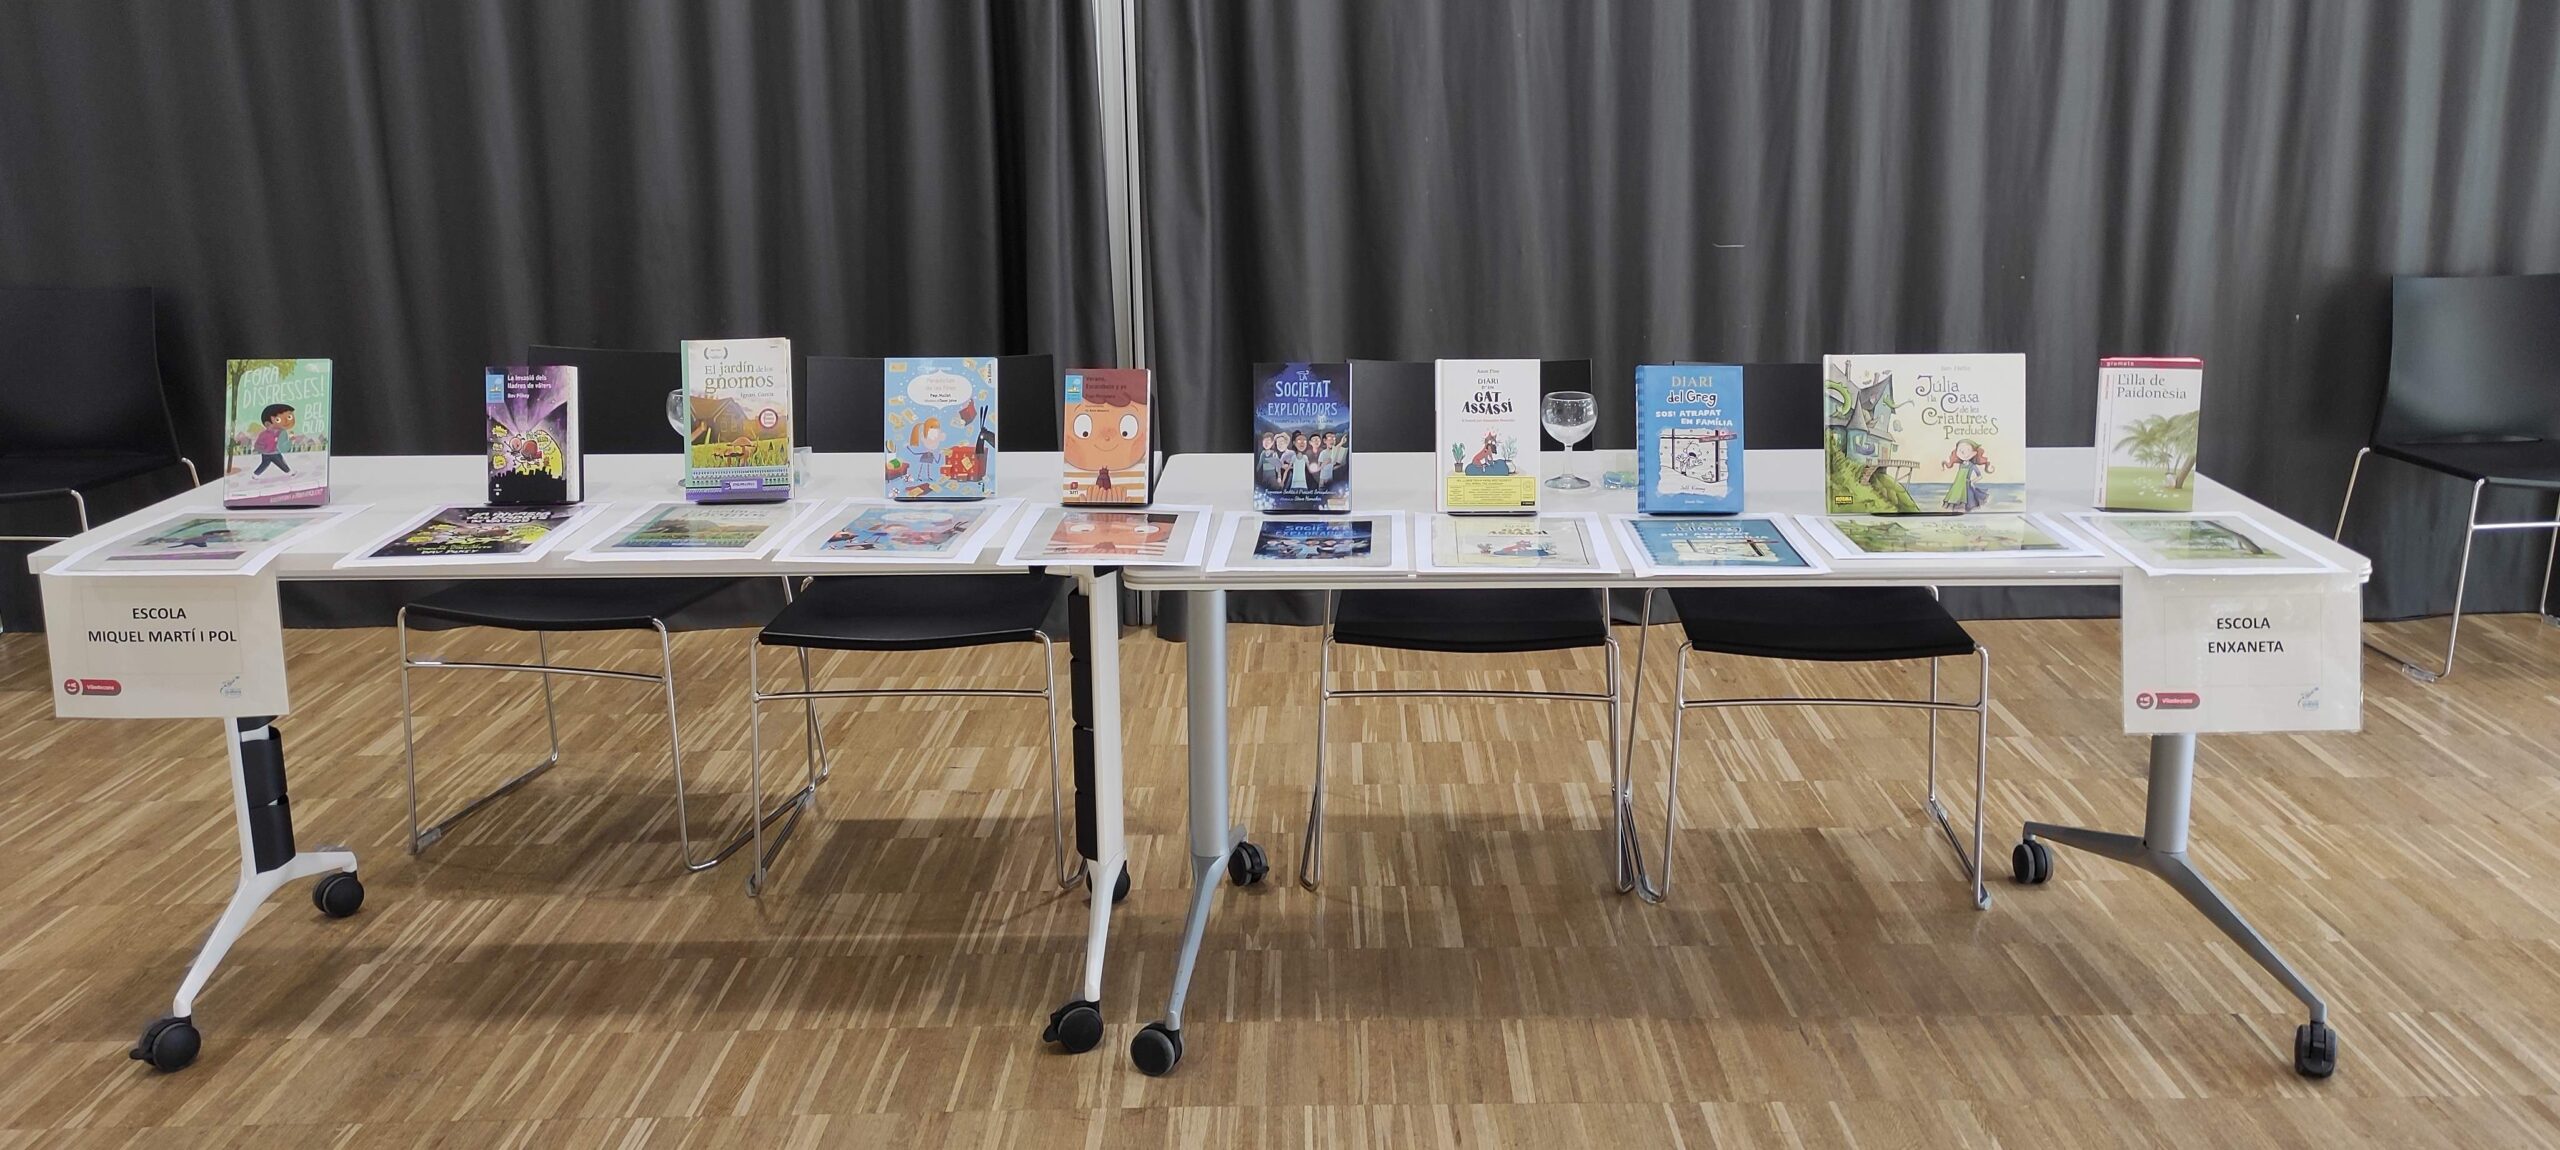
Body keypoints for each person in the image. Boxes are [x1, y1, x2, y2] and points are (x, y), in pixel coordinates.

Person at [1941, 439, 1994, 512]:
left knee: (1967, 503)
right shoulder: (1961, 465)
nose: (1963, 452)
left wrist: (1972, 482)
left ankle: (1966, 514)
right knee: (1955, 502)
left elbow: (1979, 476)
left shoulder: (1972, 466)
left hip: (1966, 486)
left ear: (1974, 453)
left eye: (1968, 450)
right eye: (1960, 450)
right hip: (1957, 486)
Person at [250, 404, 295, 476]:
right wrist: (261, 448)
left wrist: (289, 440)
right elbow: (258, 443)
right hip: (272, 453)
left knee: (265, 464)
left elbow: (282, 444)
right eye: (278, 420)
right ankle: (290, 472)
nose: (286, 422)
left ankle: (255, 474)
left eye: (289, 417)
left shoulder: (280, 432)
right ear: (267, 424)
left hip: (271, 452)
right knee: (280, 463)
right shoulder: (265, 434)